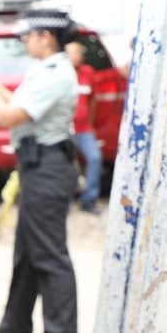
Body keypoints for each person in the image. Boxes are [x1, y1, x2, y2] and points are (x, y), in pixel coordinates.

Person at [0, 7, 80, 333]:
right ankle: (15, 329)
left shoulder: (55, 74)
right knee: (28, 253)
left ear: (46, 37)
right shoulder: (44, 70)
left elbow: (8, 116)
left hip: (48, 167)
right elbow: (13, 103)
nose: (25, 41)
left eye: (28, 35)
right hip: (38, 165)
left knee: (48, 253)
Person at [66, 41, 101, 214]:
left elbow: (93, 100)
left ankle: (89, 199)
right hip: (64, 128)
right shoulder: (61, 73)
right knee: (64, 163)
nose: (77, 56)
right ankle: (64, 199)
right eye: (73, 52)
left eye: (79, 52)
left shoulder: (88, 72)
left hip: (83, 128)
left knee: (95, 158)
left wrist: (90, 123)